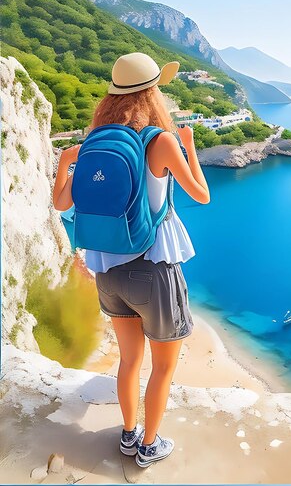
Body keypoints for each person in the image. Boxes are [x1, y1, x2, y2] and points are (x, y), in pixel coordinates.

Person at [52, 52, 210, 468]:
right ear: (152, 92)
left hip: (107, 272)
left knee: (129, 360)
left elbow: (62, 202)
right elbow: (201, 194)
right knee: (162, 367)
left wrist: (66, 164)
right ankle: (149, 446)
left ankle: (127, 436)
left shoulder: (94, 140)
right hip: (153, 271)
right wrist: (189, 148)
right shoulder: (160, 140)